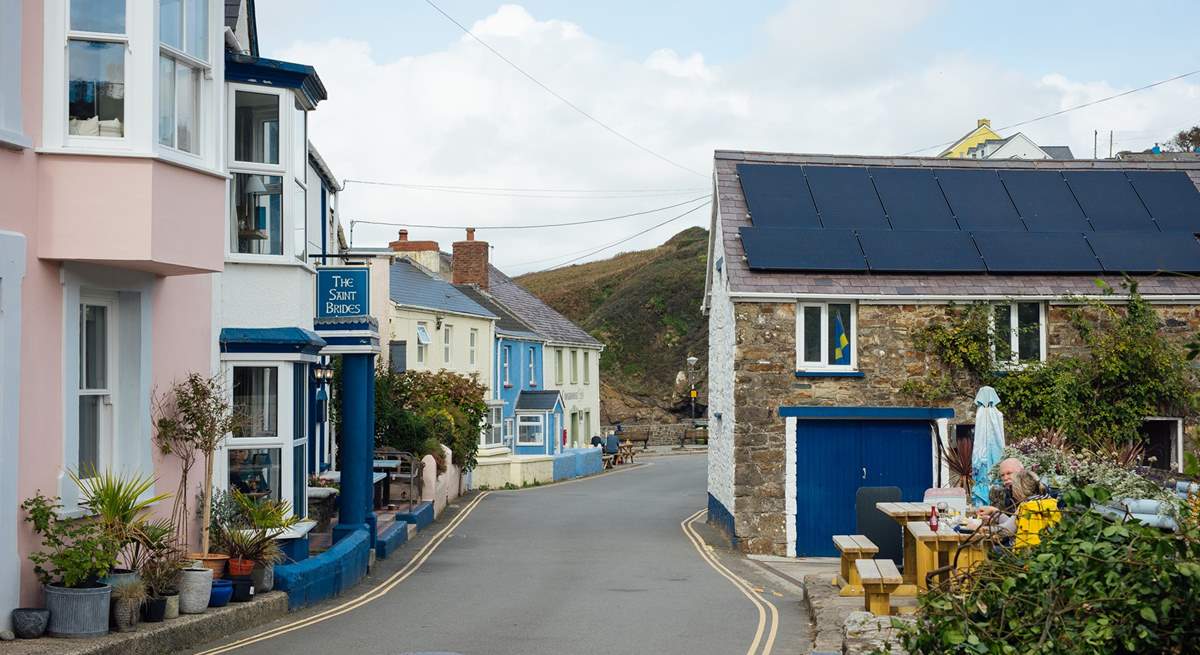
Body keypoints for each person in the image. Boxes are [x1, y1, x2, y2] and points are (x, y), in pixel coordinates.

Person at [984, 470, 1061, 549]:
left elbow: (1008, 530)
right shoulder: (1045, 501)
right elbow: (1014, 523)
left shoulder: (1026, 506)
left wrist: (984, 529)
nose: (1012, 491)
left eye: (1013, 488)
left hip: (1021, 552)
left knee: (987, 551)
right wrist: (996, 512)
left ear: (1018, 490)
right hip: (1043, 549)